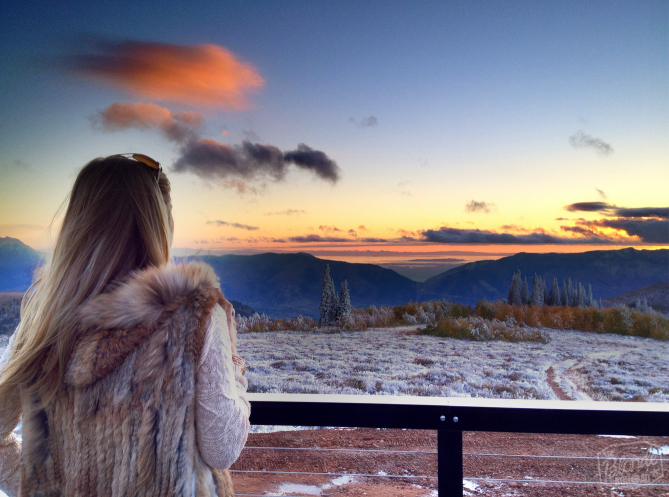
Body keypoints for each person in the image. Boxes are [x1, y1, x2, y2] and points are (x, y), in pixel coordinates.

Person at [0, 154, 249, 496]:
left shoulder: (44, 318)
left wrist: (42, 486)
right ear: (157, 226)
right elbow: (223, 448)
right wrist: (233, 367)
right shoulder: (195, 315)